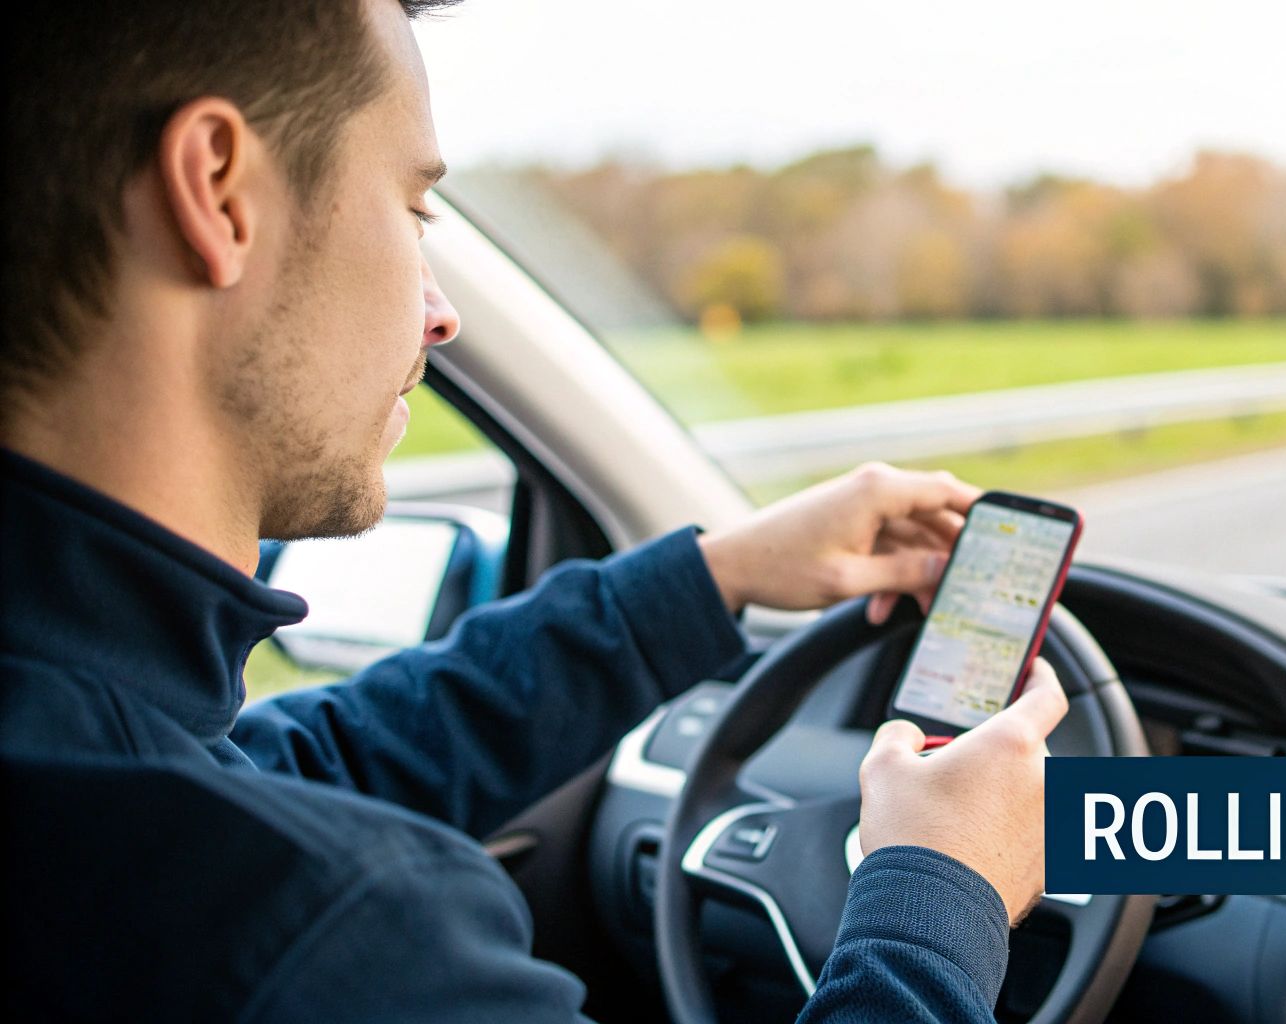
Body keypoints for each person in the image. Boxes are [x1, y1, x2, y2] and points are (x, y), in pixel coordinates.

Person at [0, 2, 1064, 1020]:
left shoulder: (85, 747)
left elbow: (290, 768)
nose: (440, 310)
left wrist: (716, 574)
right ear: (220, 191)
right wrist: (937, 897)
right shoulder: (333, 934)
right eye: (414, 212)